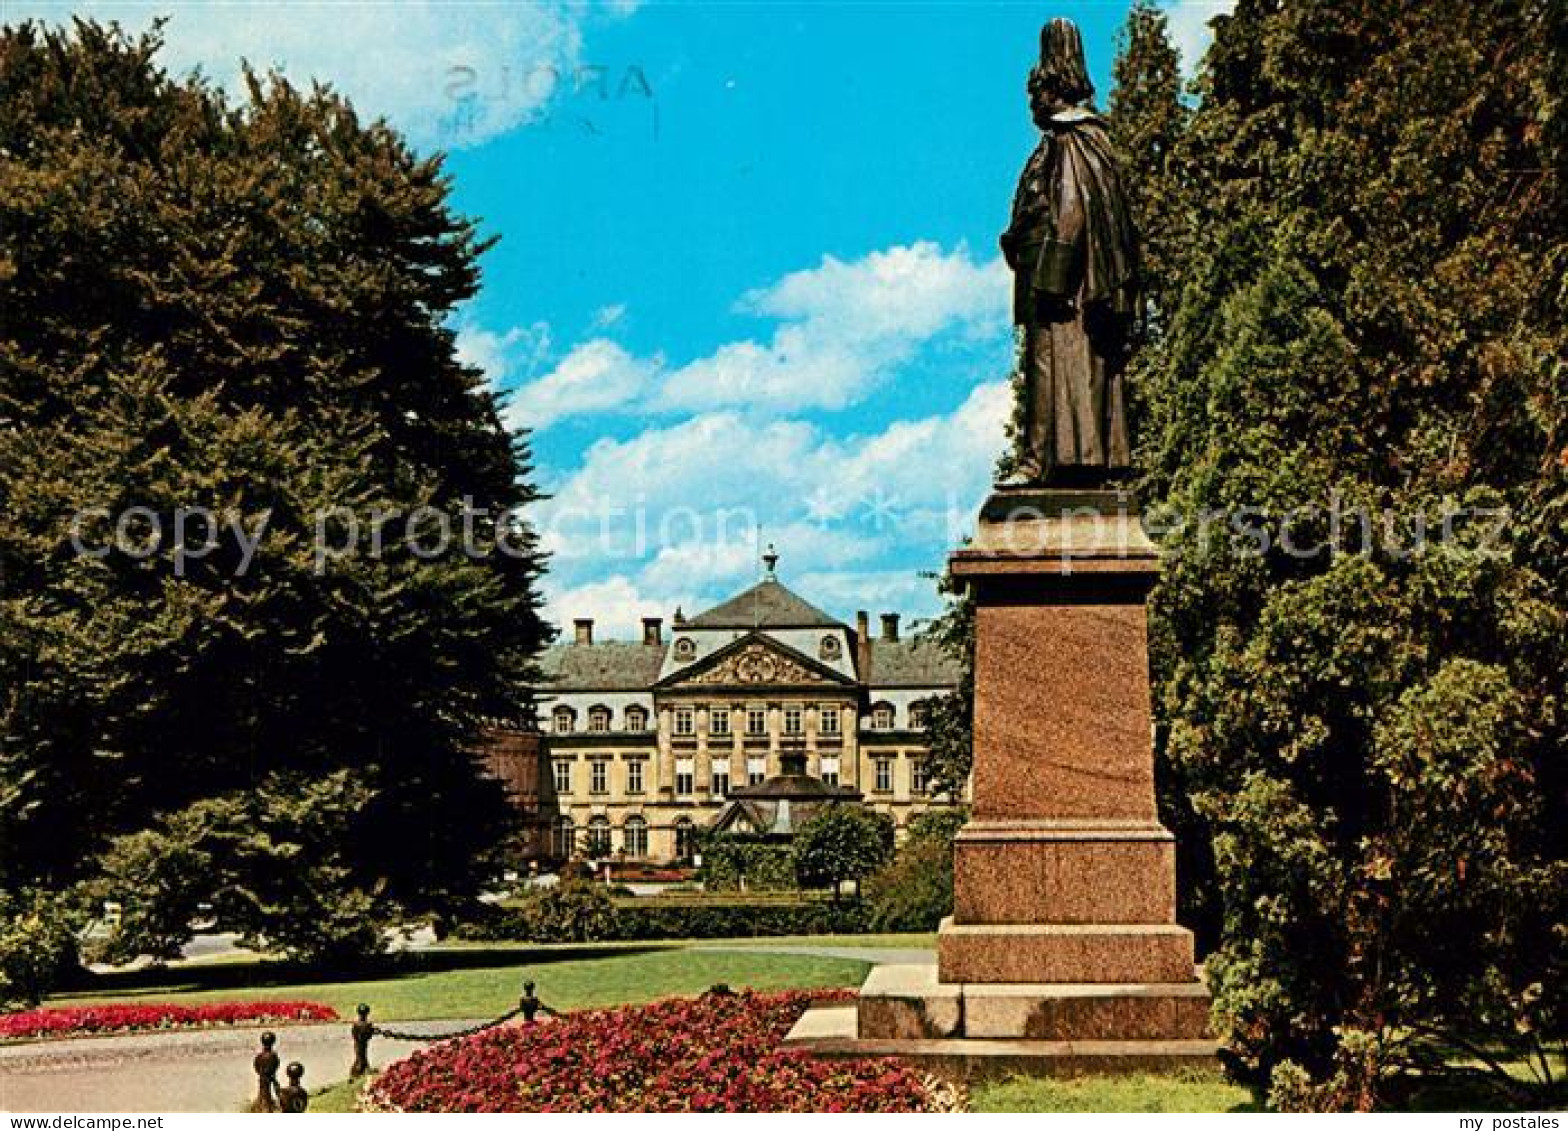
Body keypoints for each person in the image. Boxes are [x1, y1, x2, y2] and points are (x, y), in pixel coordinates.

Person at [1000, 17, 1141, 486]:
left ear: (1051, 91)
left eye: (1034, 94)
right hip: (1063, 286)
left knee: (1056, 372)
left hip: (1062, 292)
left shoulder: (1074, 141)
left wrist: (1051, 280)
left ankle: (1042, 461)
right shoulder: (1081, 143)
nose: (1030, 105)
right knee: (1065, 375)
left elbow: (1070, 211)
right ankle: (1061, 460)